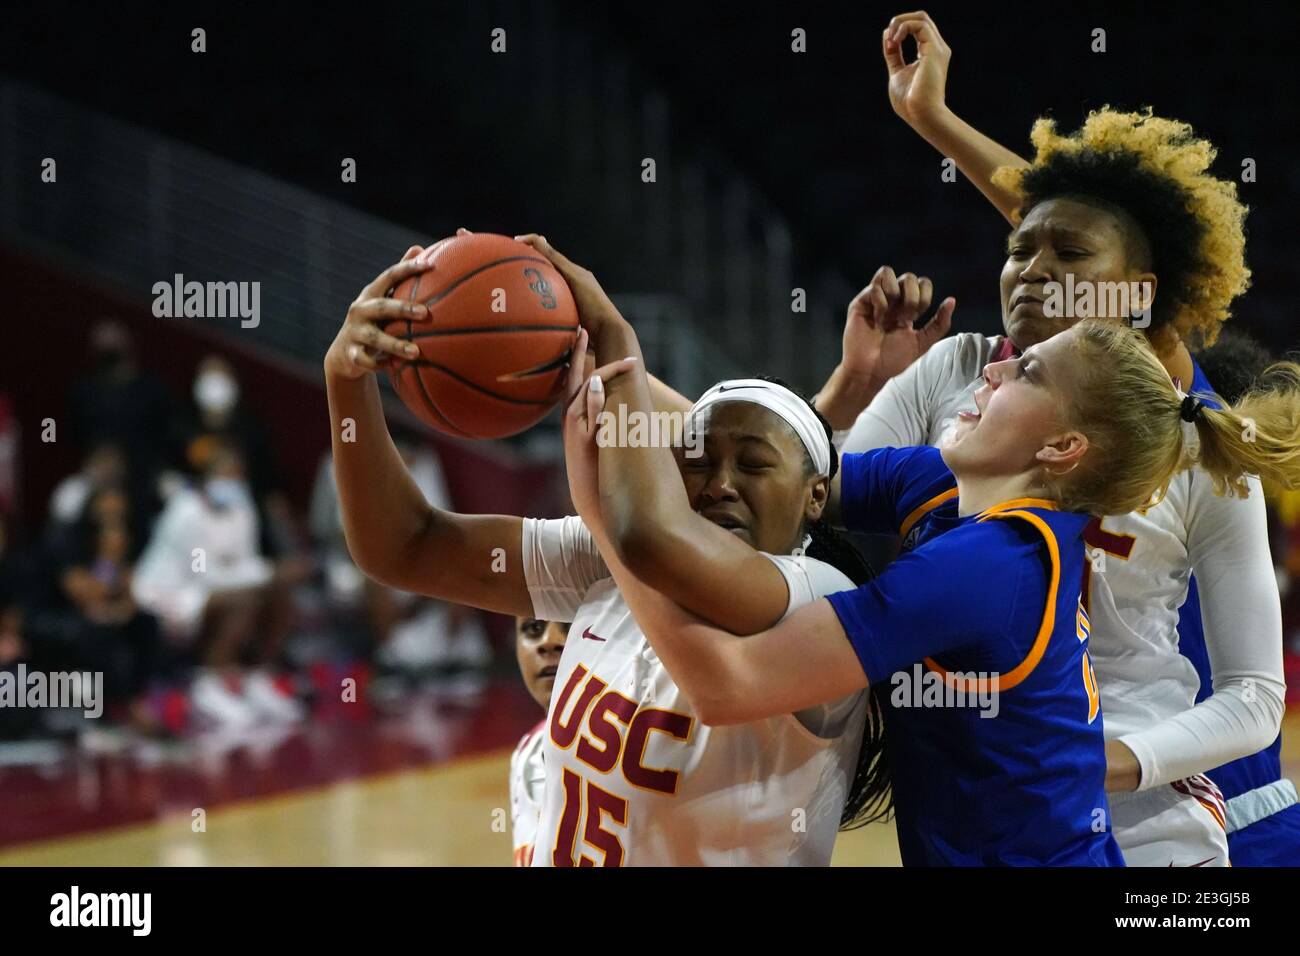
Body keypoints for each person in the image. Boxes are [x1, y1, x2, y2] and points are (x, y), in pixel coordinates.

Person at [811, 10, 1291, 865]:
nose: (1032, 269)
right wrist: (849, 387)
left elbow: (1115, 264)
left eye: (1067, 256)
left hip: (1179, 793)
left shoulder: (1177, 415)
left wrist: (935, 122)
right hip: (988, 786)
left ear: (1142, 297)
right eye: (1016, 250)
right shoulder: (960, 371)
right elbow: (809, 486)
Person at [324, 245, 884, 866]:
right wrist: (347, 384)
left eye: (753, 465)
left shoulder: (820, 596)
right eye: (697, 460)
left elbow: (649, 539)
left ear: (814, 498)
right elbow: (406, 547)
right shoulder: (607, 558)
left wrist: (617, 345)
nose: (721, 483)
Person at [131, 442, 302, 729]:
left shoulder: (242, 507)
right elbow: (203, 573)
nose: (233, 480)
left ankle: (256, 677)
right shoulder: (186, 512)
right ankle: (209, 686)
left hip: (208, 589)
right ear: (207, 477)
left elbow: (243, 561)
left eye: (237, 473)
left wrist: (271, 576)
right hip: (166, 593)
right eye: (225, 473)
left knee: (277, 594)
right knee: (246, 599)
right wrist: (270, 572)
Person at [508, 617, 568, 867]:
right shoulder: (525, 753)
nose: (549, 642)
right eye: (533, 628)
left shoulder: (647, 743)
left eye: (572, 624)